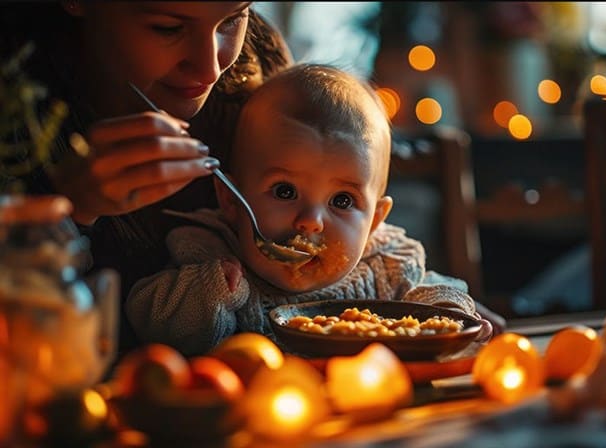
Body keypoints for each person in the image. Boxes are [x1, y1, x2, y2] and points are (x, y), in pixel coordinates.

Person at [125, 63, 496, 356]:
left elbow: (431, 296)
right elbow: (157, 325)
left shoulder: (386, 264)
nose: (311, 222)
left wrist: (451, 313)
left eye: (343, 201)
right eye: (285, 191)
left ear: (374, 223)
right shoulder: (211, 253)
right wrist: (212, 292)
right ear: (230, 200)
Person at [0, 2, 293, 353]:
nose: (210, 67)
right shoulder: (14, 105)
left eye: (232, 20)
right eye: (167, 28)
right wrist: (71, 216)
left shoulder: (256, 71)